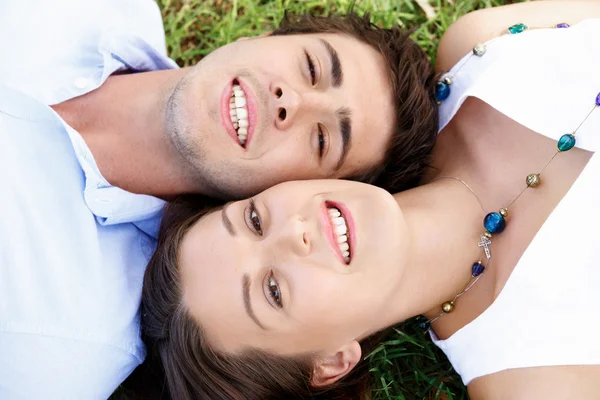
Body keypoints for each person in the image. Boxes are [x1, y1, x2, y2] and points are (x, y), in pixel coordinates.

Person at [139, 1, 600, 399]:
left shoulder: (479, 48)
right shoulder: (537, 379)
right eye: (273, 291)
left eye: (255, 219)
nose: (293, 232)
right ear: (331, 361)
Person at [0, 1, 437, 398]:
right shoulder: (110, 8)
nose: (292, 101)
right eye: (310, 67)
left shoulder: (66, 340)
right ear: (263, 39)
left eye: (322, 140)